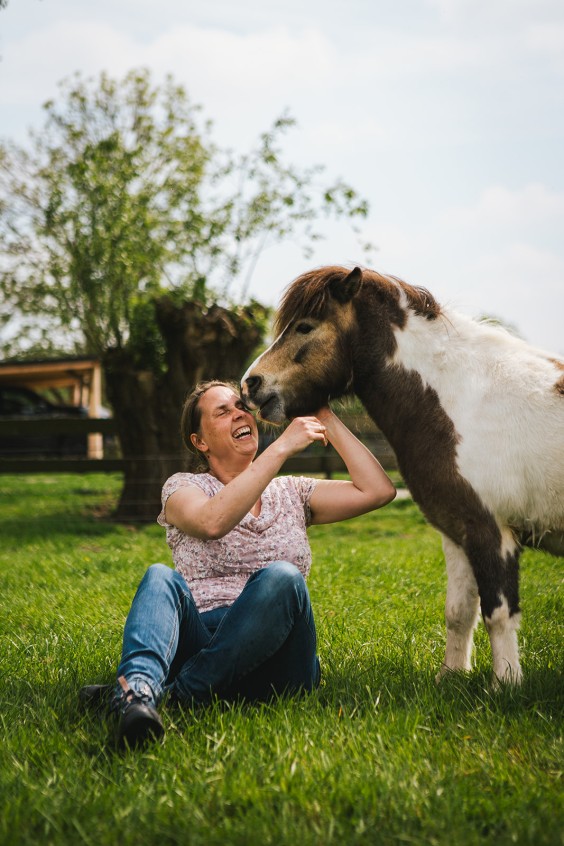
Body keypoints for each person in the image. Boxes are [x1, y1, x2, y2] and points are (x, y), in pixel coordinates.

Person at [81, 380, 396, 747]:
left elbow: (378, 491)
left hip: (281, 661)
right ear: (200, 441)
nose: (239, 413)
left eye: (240, 406)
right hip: (202, 633)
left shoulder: (292, 492)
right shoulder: (183, 487)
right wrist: (279, 450)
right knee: (159, 577)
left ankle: (166, 695)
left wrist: (323, 413)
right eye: (223, 411)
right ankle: (137, 691)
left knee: (283, 578)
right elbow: (212, 522)